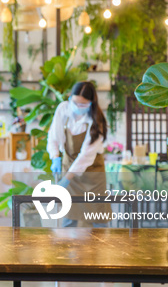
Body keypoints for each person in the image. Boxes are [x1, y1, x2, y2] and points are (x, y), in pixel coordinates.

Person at [47, 81, 111, 227]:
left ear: (91, 103)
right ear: (70, 98)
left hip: (92, 171)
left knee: (98, 215)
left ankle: (100, 248)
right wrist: (55, 156)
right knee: (69, 215)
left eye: (83, 105)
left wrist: (67, 178)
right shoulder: (63, 109)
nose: (77, 107)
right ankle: (68, 248)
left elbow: (85, 156)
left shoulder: (96, 120)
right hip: (68, 163)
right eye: (75, 102)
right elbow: (53, 136)